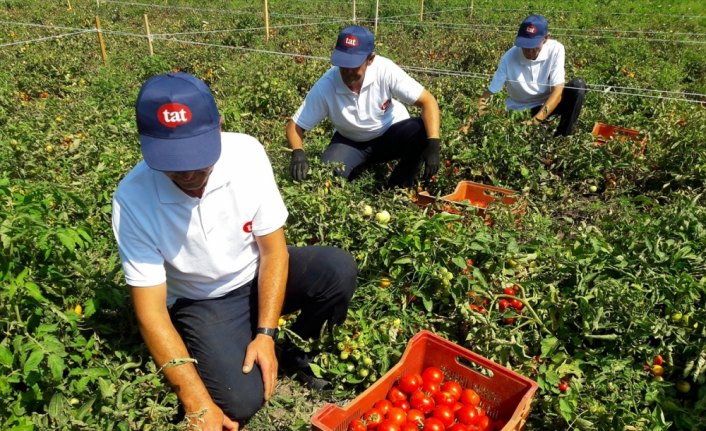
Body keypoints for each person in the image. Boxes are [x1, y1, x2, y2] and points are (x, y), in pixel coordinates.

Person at [111, 72, 358, 430]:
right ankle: (228, 340)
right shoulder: (133, 198)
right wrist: (196, 403)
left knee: (337, 269)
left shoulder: (246, 154)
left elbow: (274, 253)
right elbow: (150, 312)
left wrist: (266, 335)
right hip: (203, 300)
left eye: (198, 155)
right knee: (239, 401)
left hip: (256, 272)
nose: (189, 172)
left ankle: (291, 349)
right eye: (173, 161)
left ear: (219, 126)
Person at [287, 25, 442, 188]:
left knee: (422, 131)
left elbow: (428, 101)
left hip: (388, 134)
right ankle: (356, 165)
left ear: (370, 59)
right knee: (328, 174)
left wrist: (433, 145)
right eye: (343, 64)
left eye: (354, 65)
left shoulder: (385, 70)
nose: (347, 71)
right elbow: (295, 125)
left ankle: (398, 187)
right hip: (350, 141)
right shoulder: (327, 84)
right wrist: (298, 152)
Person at [465, 15, 586, 137]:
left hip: (548, 105)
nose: (529, 51)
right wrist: (469, 122)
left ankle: (561, 138)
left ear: (546, 38)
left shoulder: (556, 49)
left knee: (578, 87)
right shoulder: (509, 58)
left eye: (534, 46)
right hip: (521, 110)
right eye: (526, 46)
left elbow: (557, 92)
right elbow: (490, 93)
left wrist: (535, 121)